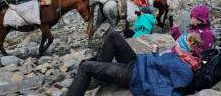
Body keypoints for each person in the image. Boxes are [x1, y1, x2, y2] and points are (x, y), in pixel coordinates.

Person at [67, 30, 202, 96]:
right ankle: (99, 75)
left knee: (85, 66)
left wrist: (147, 87)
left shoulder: (184, 68)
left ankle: (95, 73)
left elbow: (170, 92)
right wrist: (155, 54)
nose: (174, 45)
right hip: (138, 62)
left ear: (185, 48)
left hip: (136, 76)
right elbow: (161, 65)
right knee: (113, 35)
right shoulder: (178, 56)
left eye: (177, 44)